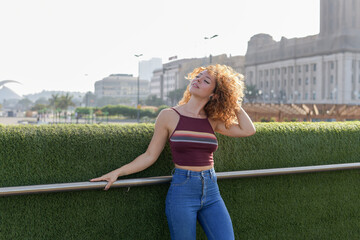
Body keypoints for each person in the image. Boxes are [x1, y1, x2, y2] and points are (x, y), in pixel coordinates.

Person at [90, 64, 256, 239]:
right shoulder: (168, 116)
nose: (198, 80)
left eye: (206, 80)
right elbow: (149, 156)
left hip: (212, 191)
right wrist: (117, 172)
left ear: (214, 94)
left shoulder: (212, 120)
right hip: (183, 192)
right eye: (198, 76)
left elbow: (248, 130)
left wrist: (232, 101)